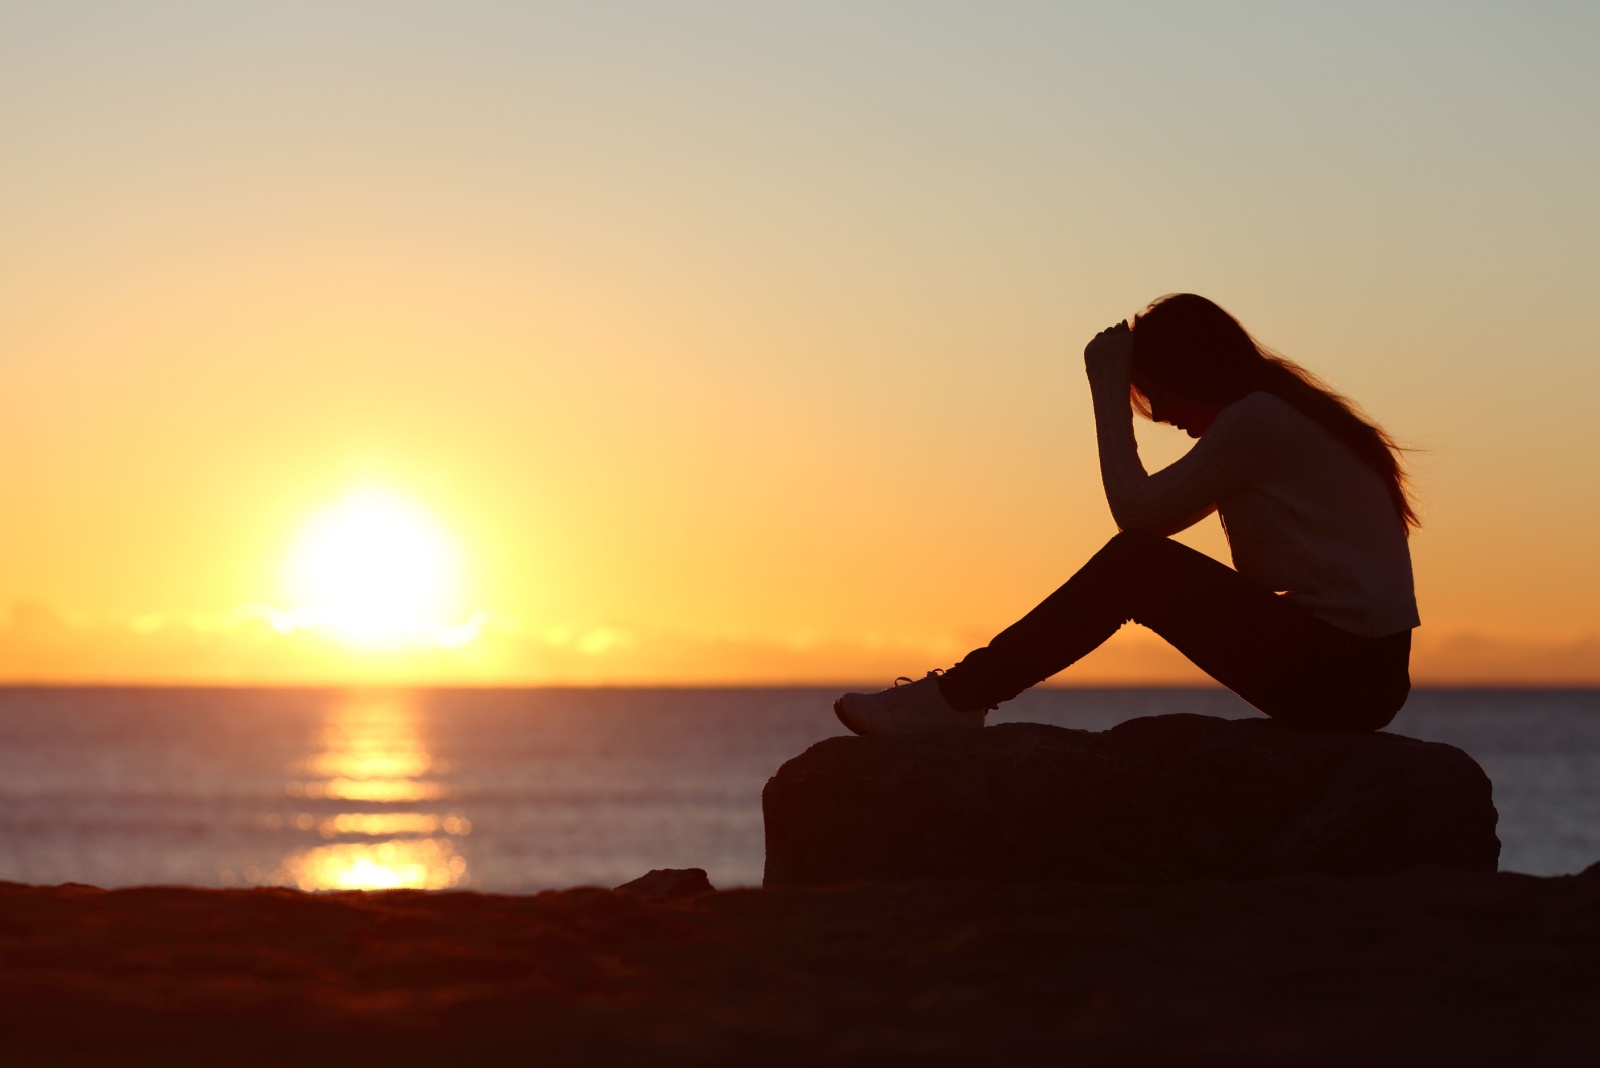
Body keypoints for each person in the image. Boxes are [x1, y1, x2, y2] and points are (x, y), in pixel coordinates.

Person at [834, 293, 1419, 736]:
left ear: (1193, 370)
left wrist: (1106, 387)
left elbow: (1136, 518)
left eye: (1157, 394)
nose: (1159, 415)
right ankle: (960, 697)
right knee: (1138, 563)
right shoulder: (1277, 416)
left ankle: (957, 700)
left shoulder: (1258, 420)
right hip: (1360, 674)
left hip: (1347, 675)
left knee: (1134, 566)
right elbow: (1218, 553)